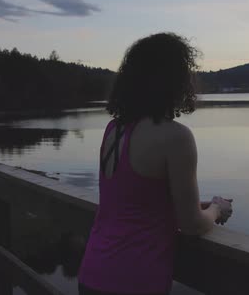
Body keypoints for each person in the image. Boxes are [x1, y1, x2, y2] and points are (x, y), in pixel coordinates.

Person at [78, 32, 233, 295]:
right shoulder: (175, 137)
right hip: (136, 281)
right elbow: (193, 225)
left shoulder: (114, 130)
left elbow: (131, 201)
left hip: (93, 273)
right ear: (177, 81)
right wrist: (217, 208)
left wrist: (188, 205)